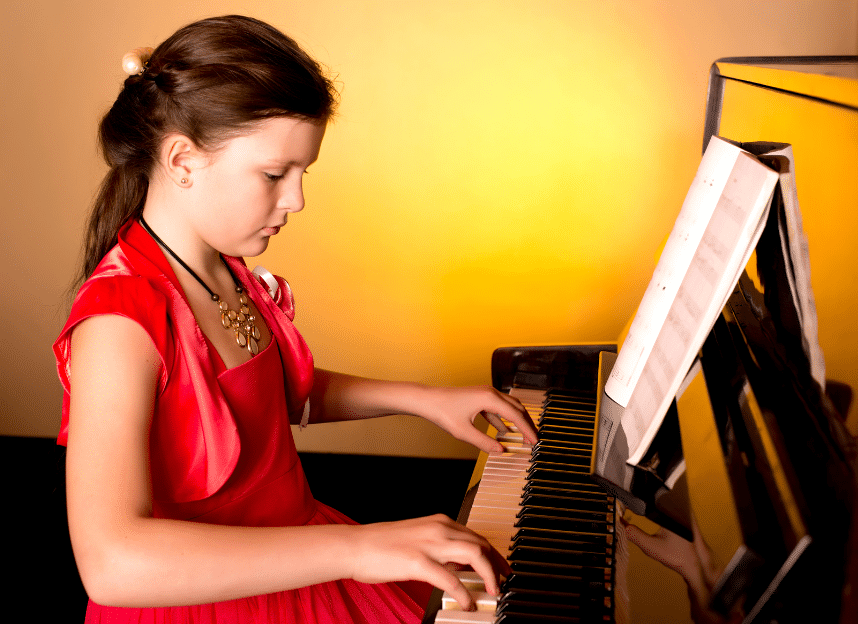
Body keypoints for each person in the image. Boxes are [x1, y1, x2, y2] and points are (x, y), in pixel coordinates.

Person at [55, 15, 538, 624]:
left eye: (302, 173)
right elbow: (112, 564)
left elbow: (263, 396)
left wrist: (426, 400)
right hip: (209, 603)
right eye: (274, 174)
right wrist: (358, 547)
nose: (296, 200)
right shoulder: (118, 324)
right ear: (182, 160)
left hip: (301, 557)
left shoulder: (223, 268)